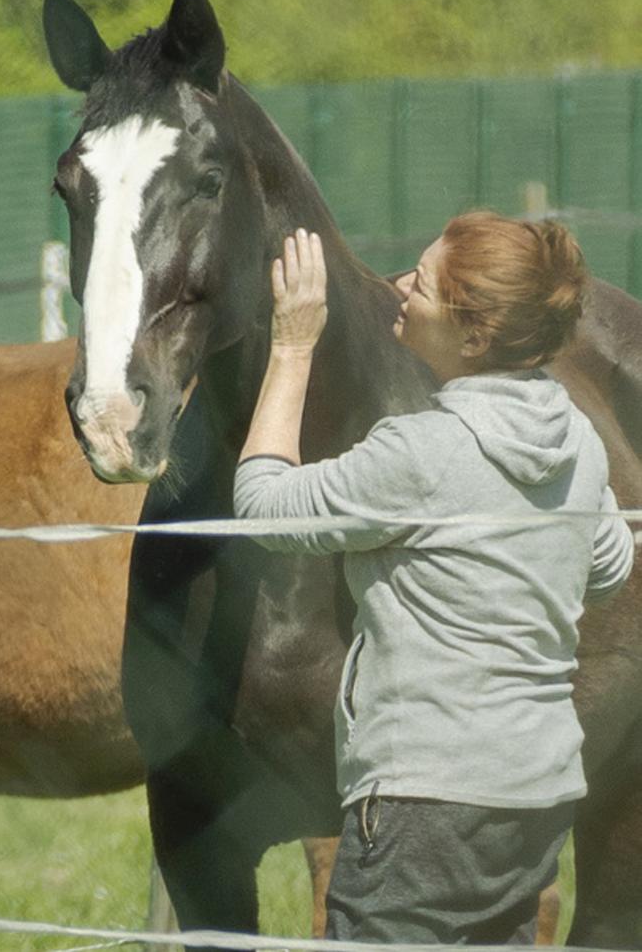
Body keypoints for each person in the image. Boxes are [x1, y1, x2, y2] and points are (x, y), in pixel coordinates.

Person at [233, 214, 635, 944]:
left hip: (425, 800)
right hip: (535, 792)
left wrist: (291, 347)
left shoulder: (419, 450)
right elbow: (608, 563)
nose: (399, 287)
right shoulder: (576, 436)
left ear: (475, 336)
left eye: (422, 280)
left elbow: (264, 508)